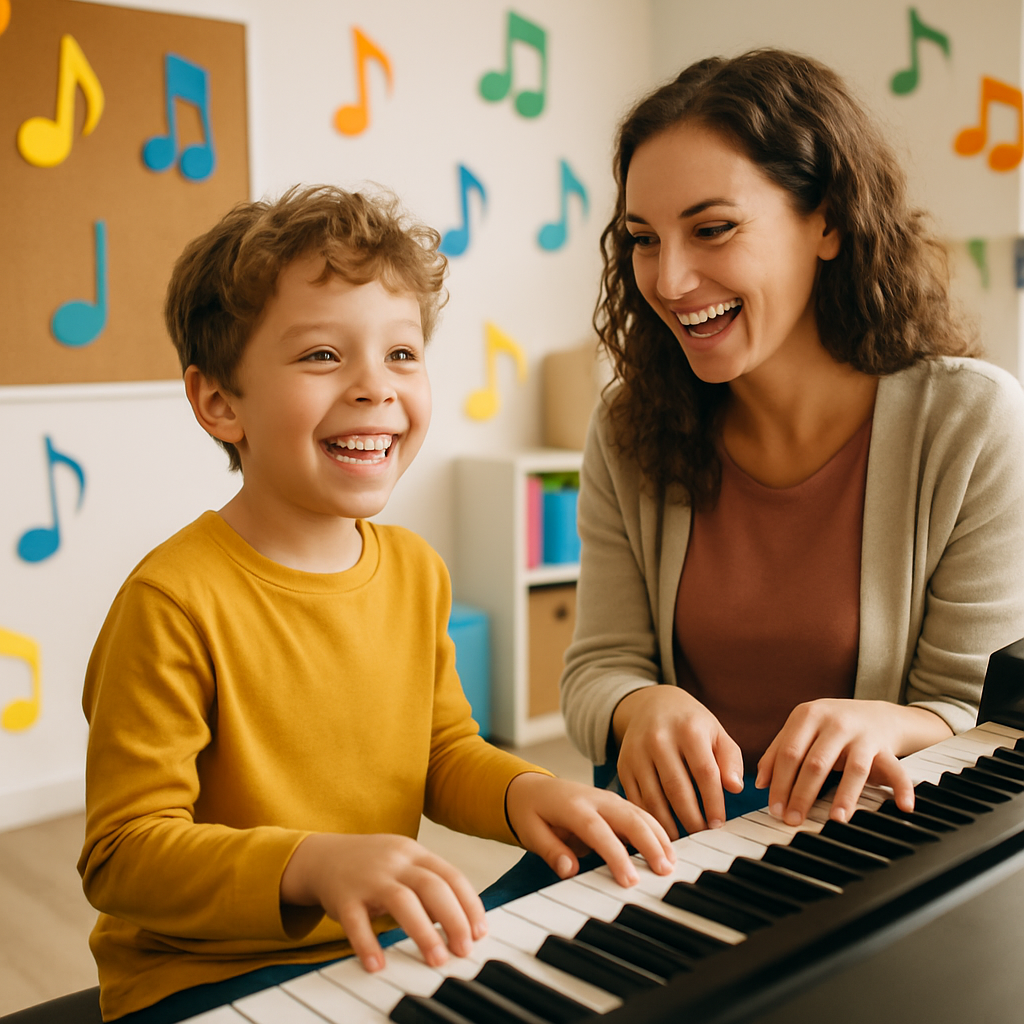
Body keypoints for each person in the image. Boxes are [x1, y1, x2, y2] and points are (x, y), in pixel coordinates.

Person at [78, 185, 674, 1023]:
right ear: (220, 402)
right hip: (201, 982)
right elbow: (122, 855)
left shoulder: (415, 571)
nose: (374, 387)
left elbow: (442, 753)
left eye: (401, 354)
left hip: (375, 950)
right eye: (323, 356)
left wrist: (530, 793)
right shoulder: (171, 601)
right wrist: (310, 864)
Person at [560, 49, 1024, 843]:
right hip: (671, 851)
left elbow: (977, 710)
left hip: (869, 842)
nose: (669, 280)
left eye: (713, 229)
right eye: (643, 238)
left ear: (829, 223)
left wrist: (887, 726)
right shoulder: (628, 427)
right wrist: (640, 704)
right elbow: (595, 670)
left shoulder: (971, 421)